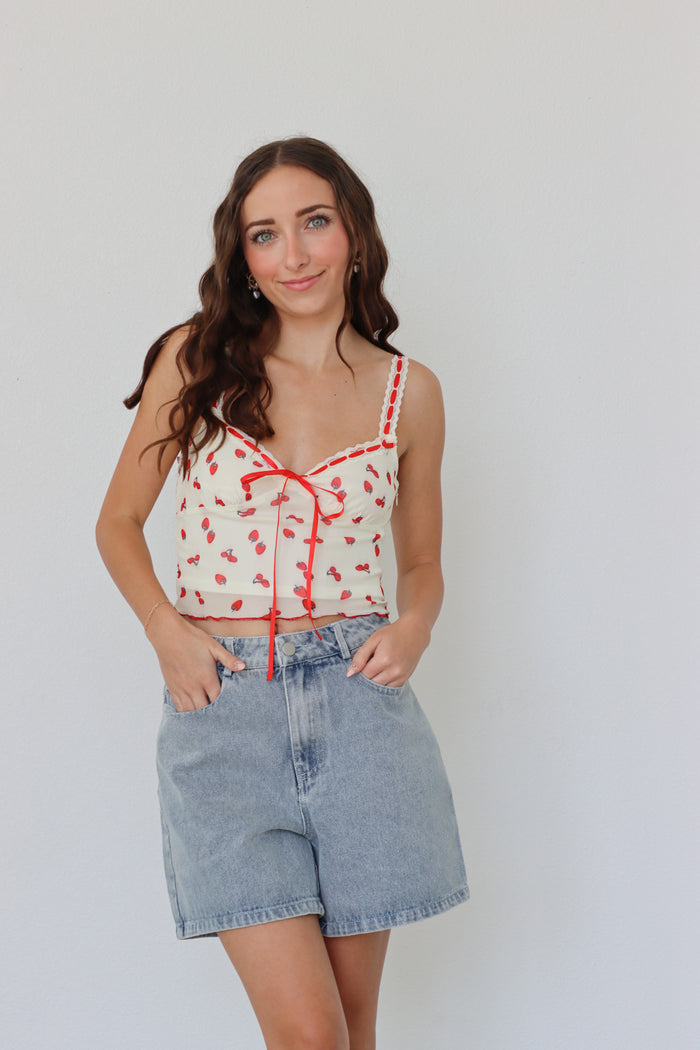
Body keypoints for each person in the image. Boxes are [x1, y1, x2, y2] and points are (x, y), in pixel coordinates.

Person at [96, 136, 468, 1050]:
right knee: (307, 1033)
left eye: (314, 223)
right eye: (266, 234)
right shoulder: (196, 360)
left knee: (352, 1028)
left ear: (353, 233)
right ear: (243, 255)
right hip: (226, 707)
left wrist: (414, 625)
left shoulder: (409, 393)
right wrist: (167, 633)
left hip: (362, 709)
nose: (293, 255)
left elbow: (420, 561)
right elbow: (116, 523)